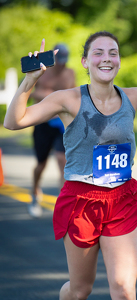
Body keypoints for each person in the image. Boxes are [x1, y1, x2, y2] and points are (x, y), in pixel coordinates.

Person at [4, 31, 137, 300]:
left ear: (119, 61)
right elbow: (13, 121)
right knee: (80, 290)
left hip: (122, 199)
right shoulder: (67, 99)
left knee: (124, 289)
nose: (106, 58)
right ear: (84, 61)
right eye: (98, 53)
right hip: (81, 201)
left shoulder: (132, 97)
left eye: (113, 53)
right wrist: (30, 80)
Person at [28, 43, 76, 217]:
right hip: (42, 122)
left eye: (64, 60)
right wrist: (51, 95)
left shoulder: (70, 74)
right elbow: (30, 92)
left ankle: (64, 205)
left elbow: (73, 96)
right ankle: (34, 193)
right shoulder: (43, 72)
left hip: (61, 123)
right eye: (59, 60)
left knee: (62, 161)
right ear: (53, 59)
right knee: (41, 164)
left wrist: (49, 94)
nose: (62, 64)